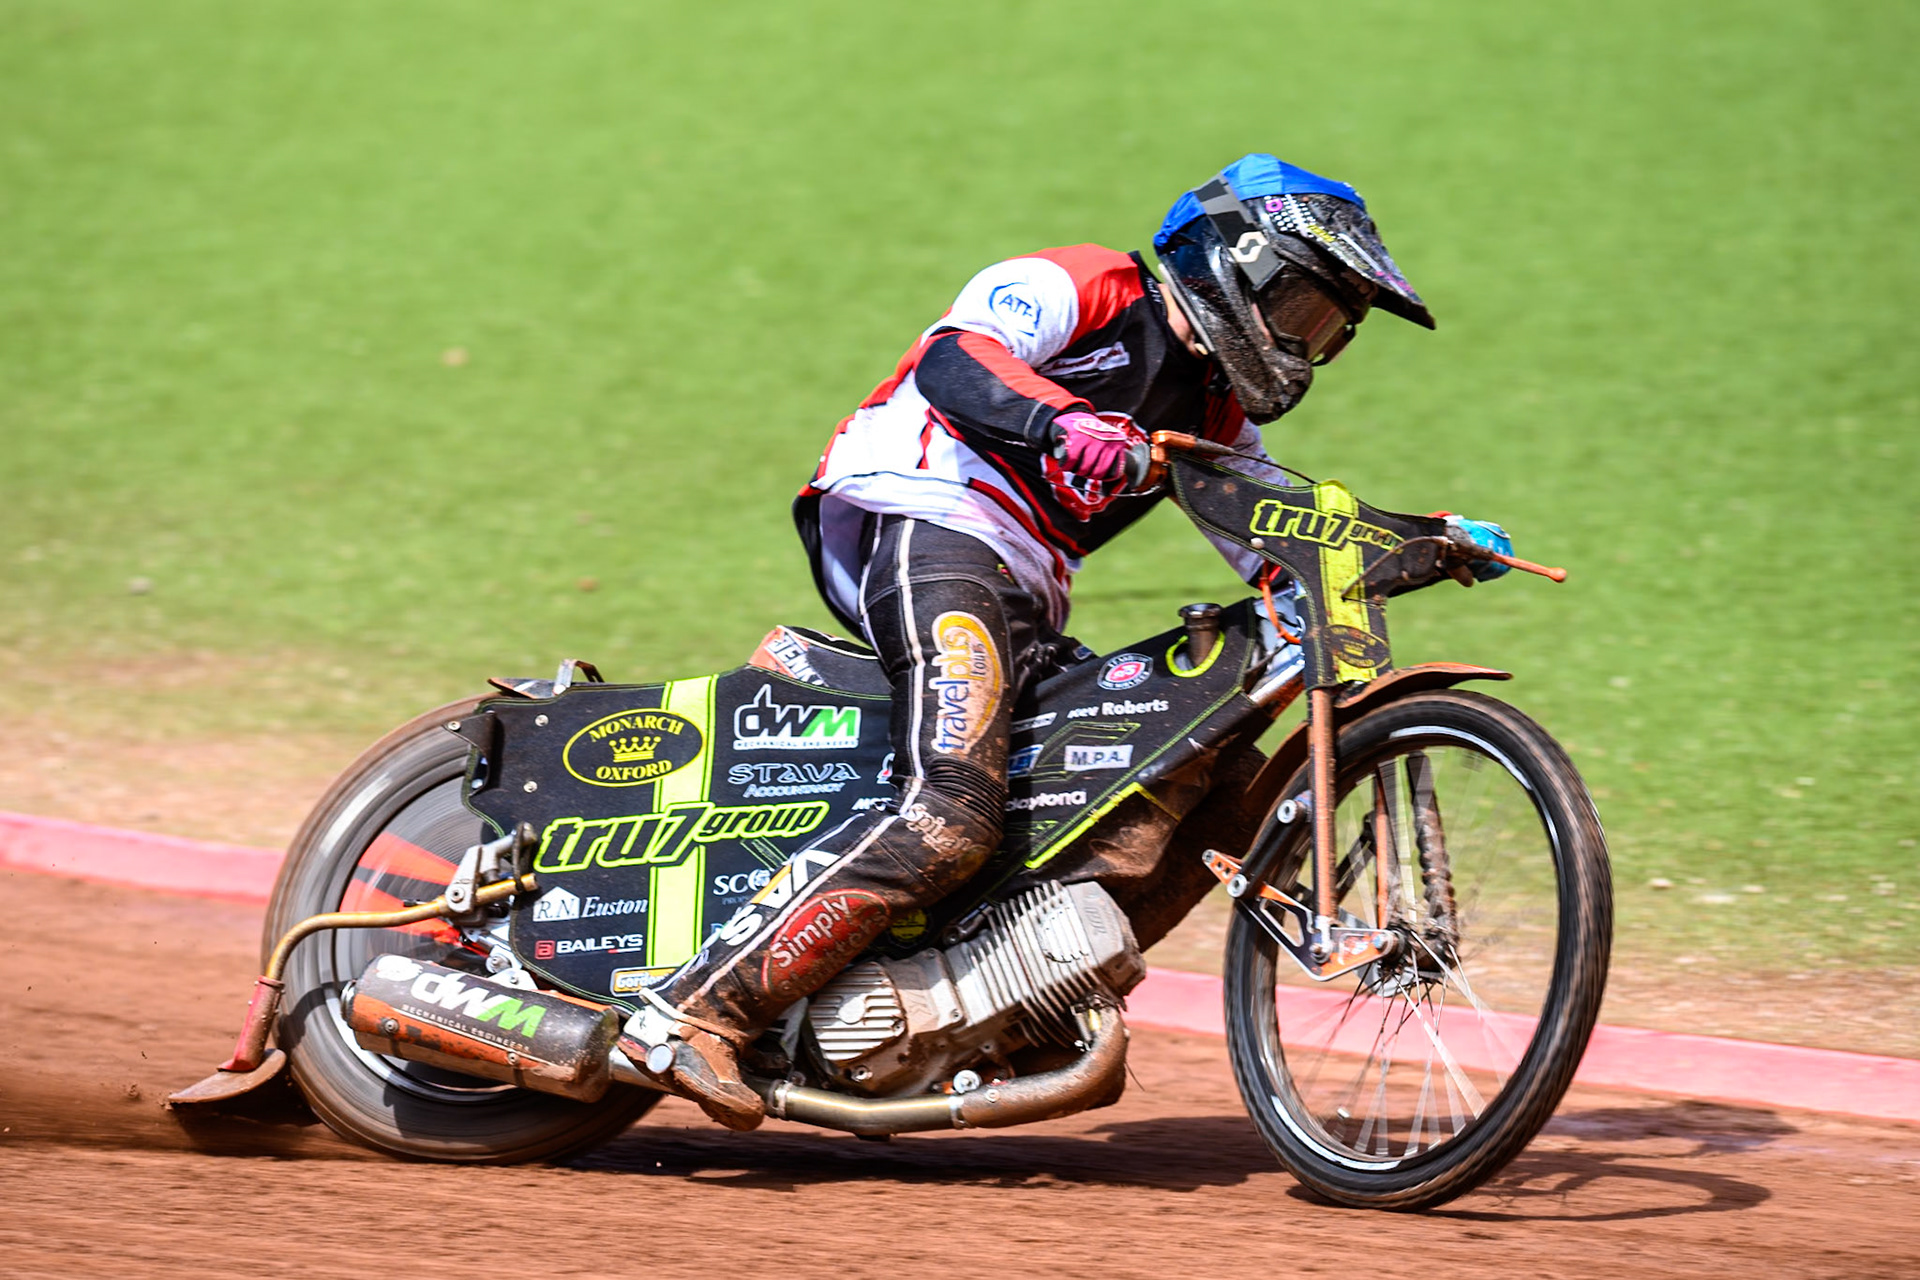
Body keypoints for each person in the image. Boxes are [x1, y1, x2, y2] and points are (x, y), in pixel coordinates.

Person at [622, 153, 1513, 1129]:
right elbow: (955, 361)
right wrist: (1063, 423)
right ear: (1238, 263)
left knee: (1216, 794)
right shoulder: (1086, 283)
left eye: (1329, 333)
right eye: (1305, 312)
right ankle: (691, 1010)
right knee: (953, 807)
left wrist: (1421, 542)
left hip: (1022, 593)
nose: (1310, 347)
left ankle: (1007, 1001)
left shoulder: (1213, 418)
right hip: (921, 516)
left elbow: (1280, 541)